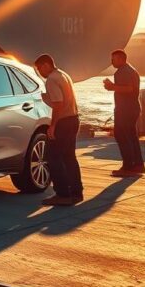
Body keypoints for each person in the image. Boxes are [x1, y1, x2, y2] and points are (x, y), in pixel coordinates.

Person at [35, 54, 83, 206]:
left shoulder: (51, 79)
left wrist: (53, 125)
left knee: (53, 157)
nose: (39, 72)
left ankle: (62, 193)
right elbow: (62, 100)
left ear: (45, 65)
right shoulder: (63, 75)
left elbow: (58, 104)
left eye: (39, 68)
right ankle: (76, 192)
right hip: (74, 119)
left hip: (63, 122)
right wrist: (46, 98)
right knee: (69, 157)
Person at [104, 49, 145, 177]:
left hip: (125, 110)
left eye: (113, 59)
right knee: (131, 136)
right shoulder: (130, 70)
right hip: (132, 108)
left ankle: (129, 166)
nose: (111, 62)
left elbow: (129, 88)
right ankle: (138, 165)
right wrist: (113, 86)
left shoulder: (123, 71)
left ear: (122, 59)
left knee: (122, 135)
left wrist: (112, 87)